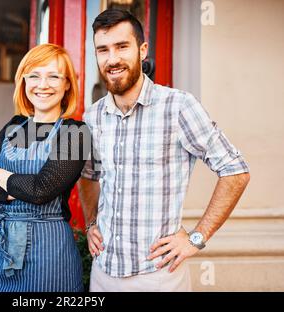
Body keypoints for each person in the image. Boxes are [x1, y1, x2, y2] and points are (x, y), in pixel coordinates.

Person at [78, 9, 250, 292]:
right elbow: (88, 175)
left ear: (142, 50)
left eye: (122, 47)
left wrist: (196, 237)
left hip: (158, 276)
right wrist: (90, 223)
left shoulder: (178, 106)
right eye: (103, 50)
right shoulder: (92, 117)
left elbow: (235, 170)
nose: (112, 59)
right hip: (103, 273)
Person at [0, 43, 90, 292]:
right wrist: (23, 188)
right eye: (34, 75)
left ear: (67, 84)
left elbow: (41, 191)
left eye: (53, 76)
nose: (42, 84)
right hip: (1, 249)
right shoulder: (14, 126)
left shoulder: (76, 133)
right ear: (23, 81)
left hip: (49, 254)